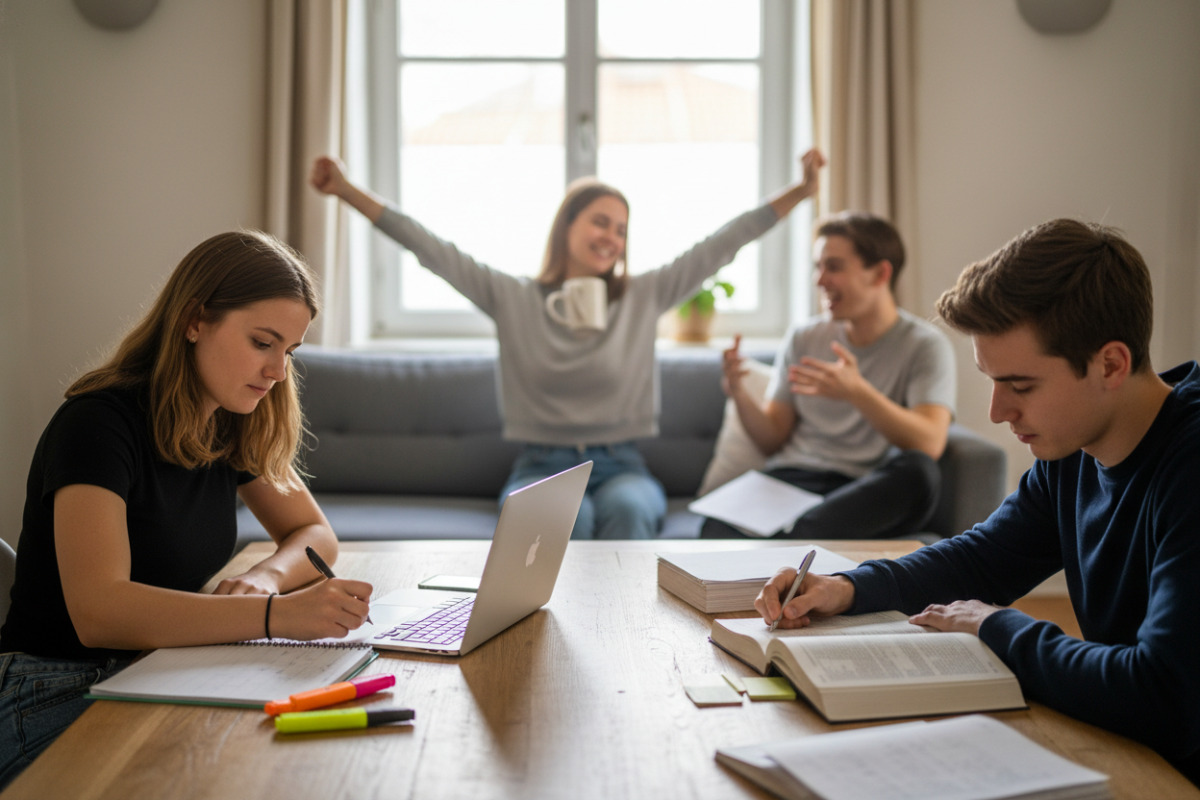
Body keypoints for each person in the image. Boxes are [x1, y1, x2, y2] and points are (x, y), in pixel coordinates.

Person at [754, 218, 1200, 785]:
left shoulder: (1189, 465)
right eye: (991, 381)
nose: (996, 412)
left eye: (1021, 386)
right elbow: (980, 559)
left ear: (1110, 364)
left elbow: (1164, 697)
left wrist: (998, 628)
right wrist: (849, 588)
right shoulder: (1073, 451)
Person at [0, 231, 372, 787]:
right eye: (262, 342)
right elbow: (99, 610)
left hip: (159, 668)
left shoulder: (227, 419)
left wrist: (266, 577)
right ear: (195, 320)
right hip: (53, 686)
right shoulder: (97, 424)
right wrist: (275, 617)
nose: (276, 372)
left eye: (288, 351)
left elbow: (312, 530)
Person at [310, 150, 825, 539]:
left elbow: (723, 243)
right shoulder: (512, 297)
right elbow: (430, 249)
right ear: (567, 226)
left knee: (626, 510)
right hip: (541, 464)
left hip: (623, 463)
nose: (611, 237)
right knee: (565, 520)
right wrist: (346, 191)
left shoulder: (644, 295)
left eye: (621, 230)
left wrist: (801, 192)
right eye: (600, 221)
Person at [700, 212, 955, 540]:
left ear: (879, 273)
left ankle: (793, 539)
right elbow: (771, 437)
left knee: (920, 474)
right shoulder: (804, 337)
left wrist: (857, 392)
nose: (819, 280)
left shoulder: (924, 346)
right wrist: (738, 392)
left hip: (858, 488)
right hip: (793, 478)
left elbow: (929, 442)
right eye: (817, 267)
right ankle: (803, 540)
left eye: (833, 267)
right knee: (713, 529)